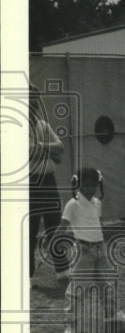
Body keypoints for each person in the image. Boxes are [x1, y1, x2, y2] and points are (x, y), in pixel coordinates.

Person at [57, 167, 125, 333]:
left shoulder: (96, 202)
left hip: (99, 249)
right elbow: (63, 226)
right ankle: (70, 326)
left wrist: (103, 242)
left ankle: (112, 316)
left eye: (94, 186)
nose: (90, 189)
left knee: (107, 285)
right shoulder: (73, 204)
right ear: (78, 184)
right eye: (87, 185)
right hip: (83, 251)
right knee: (76, 290)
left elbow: (98, 224)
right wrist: (54, 242)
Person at [28, 86, 67, 284]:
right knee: (30, 230)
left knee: (55, 225)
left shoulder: (43, 125)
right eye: (29, 99)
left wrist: (43, 147)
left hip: (48, 181)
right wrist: (49, 151)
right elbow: (27, 151)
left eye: (35, 99)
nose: (33, 103)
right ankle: (27, 274)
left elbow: (60, 147)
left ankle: (62, 270)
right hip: (30, 183)